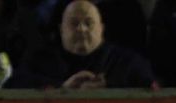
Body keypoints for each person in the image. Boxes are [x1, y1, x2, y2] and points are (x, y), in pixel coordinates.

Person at [9, 0, 153, 89]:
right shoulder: (40, 60)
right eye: (74, 23)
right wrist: (62, 89)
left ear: (101, 28)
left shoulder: (126, 61)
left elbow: (153, 88)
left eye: (88, 23)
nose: (81, 29)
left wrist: (109, 89)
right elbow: (14, 86)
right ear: (61, 30)